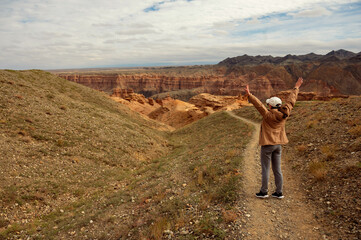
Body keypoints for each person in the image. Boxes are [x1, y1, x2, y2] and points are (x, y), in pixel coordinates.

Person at [244, 77, 303, 199]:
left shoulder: (267, 115)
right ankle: (279, 192)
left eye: (268, 104)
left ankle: (264, 191)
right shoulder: (285, 114)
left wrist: (249, 95)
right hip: (278, 146)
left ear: (270, 106)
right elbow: (291, 101)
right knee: (277, 169)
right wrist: (296, 87)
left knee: (265, 169)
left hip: (267, 145)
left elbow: (259, 105)